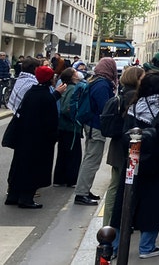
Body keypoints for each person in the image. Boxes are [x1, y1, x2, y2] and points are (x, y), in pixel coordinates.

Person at [110, 70, 159, 259]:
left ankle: (115, 245)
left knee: (125, 201)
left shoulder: (134, 107)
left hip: (133, 162)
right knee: (154, 204)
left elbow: (125, 134)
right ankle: (146, 247)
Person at [5, 66, 61, 208]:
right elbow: (50, 121)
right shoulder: (46, 96)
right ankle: (26, 198)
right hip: (38, 141)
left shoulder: (31, 92)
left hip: (23, 138)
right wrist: (54, 137)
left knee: (19, 166)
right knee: (33, 170)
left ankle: (13, 195)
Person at [74, 57, 117, 206]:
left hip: (91, 125)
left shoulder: (95, 81)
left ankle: (84, 189)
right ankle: (81, 193)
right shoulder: (102, 85)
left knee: (89, 159)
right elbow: (105, 107)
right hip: (96, 127)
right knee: (92, 160)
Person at [103, 65, 143, 224]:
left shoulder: (119, 97)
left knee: (114, 185)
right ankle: (125, 222)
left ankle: (108, 222)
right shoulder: (137, 98)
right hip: (132, 148)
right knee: (130, 186)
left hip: (116, 146)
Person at [53, 67, 83, 187]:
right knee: (73, 155)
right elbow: (66, 108)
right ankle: (70, 179)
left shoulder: (65, 87)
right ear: (72, 76)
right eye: (75, 72)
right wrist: (76, 117)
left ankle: (59, 179)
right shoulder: (73, 89)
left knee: (62, 153)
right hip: (70, 127)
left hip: (63, 126)